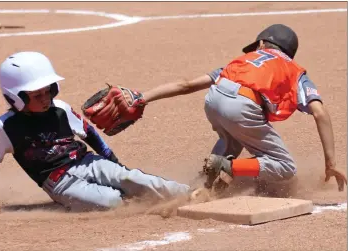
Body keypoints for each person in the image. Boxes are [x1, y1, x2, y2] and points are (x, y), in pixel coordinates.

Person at [137, 24, 347, 192]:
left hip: (214, 99)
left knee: (233, 140)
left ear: (263, 44)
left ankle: (204, 184)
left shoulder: (243, 60)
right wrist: (330, 163)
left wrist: (142, 98)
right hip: (241, 107)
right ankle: (228, 167)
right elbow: (320, 112)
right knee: (285, 167)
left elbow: (187, 85)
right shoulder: (293, 70)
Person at [0, 51, 192, 212]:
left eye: (49, 91)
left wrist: (111, 160)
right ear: (15, 97)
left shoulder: (60, 109)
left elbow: (89, 133)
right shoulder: (5, 127)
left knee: (130, 178)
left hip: (87, 162)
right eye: (37, 95)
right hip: (59, 182)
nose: (46, 98)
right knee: (111, 202)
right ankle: (137, 201)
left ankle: (191, 195)